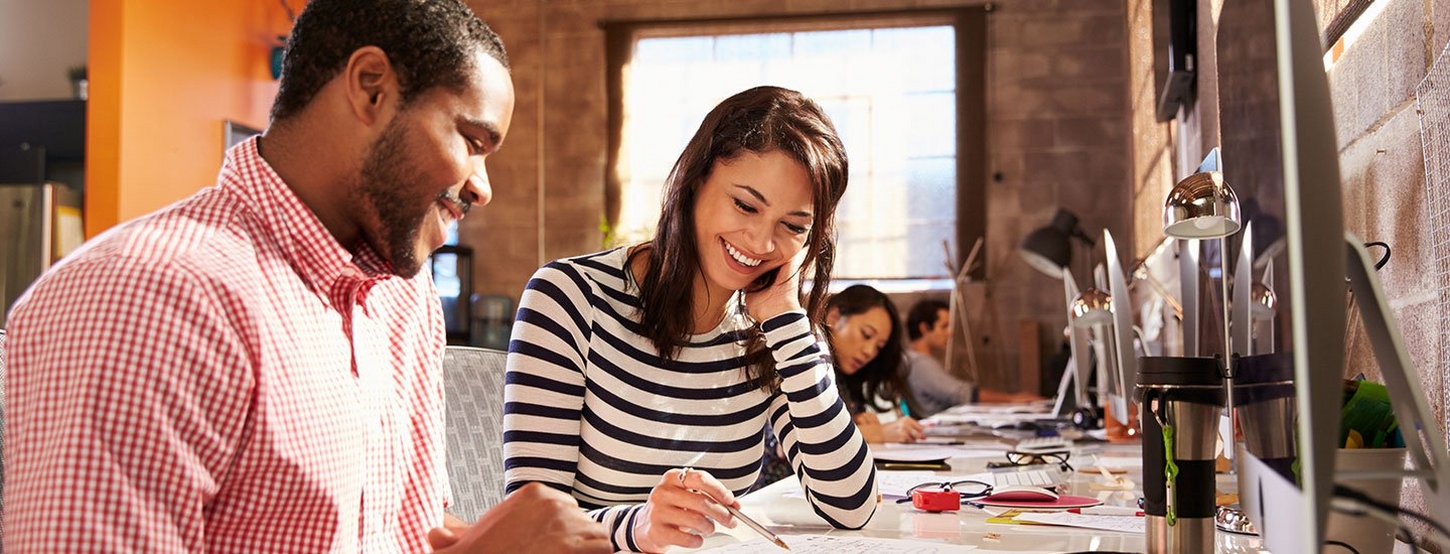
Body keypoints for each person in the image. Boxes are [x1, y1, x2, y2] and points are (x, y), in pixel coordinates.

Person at [2, 1, 609, 552]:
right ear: (372, 89)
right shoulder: (141, 299)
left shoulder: (405, 299)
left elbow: (411, 533)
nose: (482, 186)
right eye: (471, 140)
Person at [503, 86, 878, 553]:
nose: (761, 243)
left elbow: (852, 506)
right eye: (745, 205)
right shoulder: (571, 296)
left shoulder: (780, 329)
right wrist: (638, 528)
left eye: (793, 226)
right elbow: (529, 522)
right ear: (694, 179)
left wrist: (785, 321)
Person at [903, 299, 1043, 417]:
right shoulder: (919, 363)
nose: (950, 333)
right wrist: (1013, 399)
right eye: (944, 326)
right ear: (924, 328)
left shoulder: (915, 360)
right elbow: (960, 394)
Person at [824, 285, 924, 443]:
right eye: (866, 335)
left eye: (879, 347)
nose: (870, 352)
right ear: (834, 318)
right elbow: (793, 443)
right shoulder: (805, 363)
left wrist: (855, 423)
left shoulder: (847, 380)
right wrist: (876, 433)